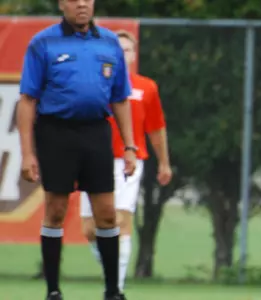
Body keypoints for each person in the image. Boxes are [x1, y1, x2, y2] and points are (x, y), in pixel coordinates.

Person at [17, 0, 136, 299]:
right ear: (62, 4)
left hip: (96, 132)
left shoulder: (109, 43)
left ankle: (112, 291)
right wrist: (28, 153)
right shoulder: (43, 43)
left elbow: (120, 99)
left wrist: (131, 146)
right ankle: (53, 290)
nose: (81, 4)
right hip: (55, 132)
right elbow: (28, 101)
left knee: (107, 214)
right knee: (55, 211)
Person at [78, 30, 173, 293]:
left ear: (133, 55)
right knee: (89, 229)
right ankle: (111, 270)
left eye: (127, 50)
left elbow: (156, 128)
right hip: (92, 160)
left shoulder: (145, 88)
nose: (122, 54)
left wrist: (164, 162)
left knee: (119, 221)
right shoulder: (92, 84)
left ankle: (115, 289)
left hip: (127, 163)